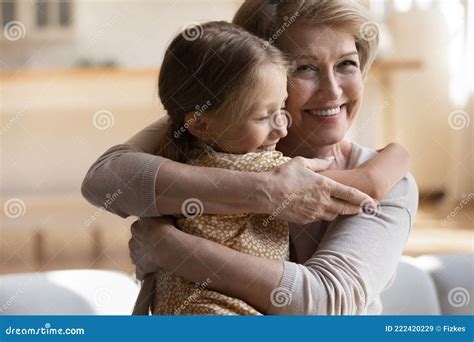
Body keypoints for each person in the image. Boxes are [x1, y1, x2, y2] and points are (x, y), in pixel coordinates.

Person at [81, 0, 418, 315]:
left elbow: (326, 301)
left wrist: (169, 247)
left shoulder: (391, 182)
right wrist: (265, 190)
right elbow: (104, 179)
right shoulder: (211, 129)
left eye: (346, 64)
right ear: (256, 71)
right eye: (304, 68)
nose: (332, 91)